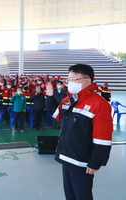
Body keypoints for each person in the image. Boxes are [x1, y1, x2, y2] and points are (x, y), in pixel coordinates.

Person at [45, 64, 113, 200]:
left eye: (74, 79)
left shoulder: (99, 104)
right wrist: (49, 97)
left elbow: (103, 137)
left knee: (82, 196)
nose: (69, 83)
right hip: (66, 156)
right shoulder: (69, 100)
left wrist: (95, 162)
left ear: (87, 80)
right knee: (70, 194)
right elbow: (56, 114)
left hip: (82, 161)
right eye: (68, 79)